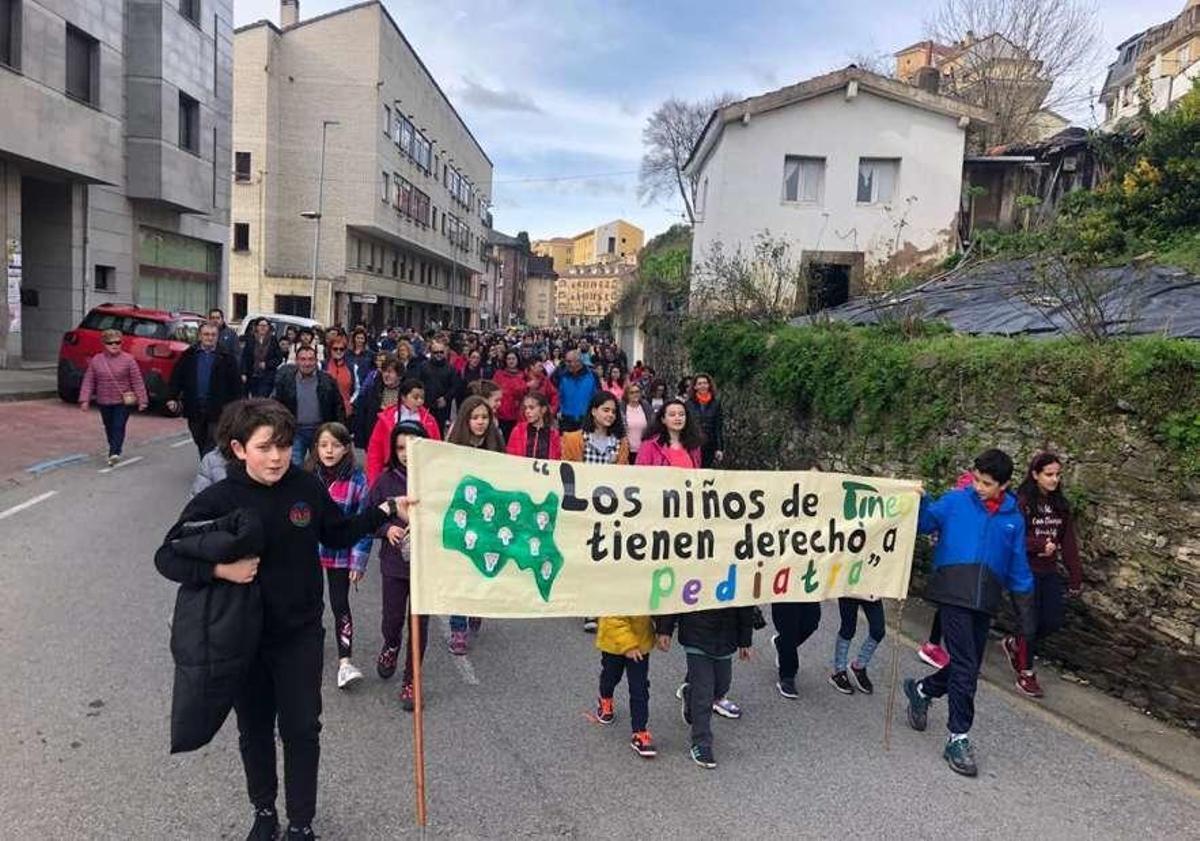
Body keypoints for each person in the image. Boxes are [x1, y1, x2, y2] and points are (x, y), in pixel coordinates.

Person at [154, 398, 409, 840]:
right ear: (238, 448)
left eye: (285, 447)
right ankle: (264, 812)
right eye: (265, 447)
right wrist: (220, 569)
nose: (277, 457)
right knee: (254, 729)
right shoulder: (218, 498)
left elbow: (337, 532)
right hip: (243, 639)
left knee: (302, 728)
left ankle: (301, 823)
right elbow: (167, 556)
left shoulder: (305, 488)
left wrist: (385, 511)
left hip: (299, 634)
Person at [904, 448, 1036, 778]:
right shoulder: (954, 501)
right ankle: (958, 737)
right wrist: (919, 499)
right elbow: (922, 524)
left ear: (1004, 485)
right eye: (976, 479)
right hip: (953, 591)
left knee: (968, 665)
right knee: (965, 665)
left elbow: (1018, 564)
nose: (978, 486)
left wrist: (1026, 606)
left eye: (987, 483)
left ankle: (922, 691)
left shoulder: (1012, 519)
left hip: (986, 598)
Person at [1002, 452, 1082, 699]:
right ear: (1035, 475)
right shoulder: (1022, 503)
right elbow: (1011, 536)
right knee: (1029, 623)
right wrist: (1038, 545)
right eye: (1049, 474)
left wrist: (1075, 575)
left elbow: (1068, 542)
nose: (1054, 479)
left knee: (1053, 620)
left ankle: (1015, 644)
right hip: (1024, 570)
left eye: (1057, 475)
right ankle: (1026, 673)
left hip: (1048, 572)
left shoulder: (1061, 506)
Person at [303, 422, 373, 691]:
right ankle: (307, 646)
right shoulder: (306, 478)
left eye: (335, 445)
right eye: (323, 445)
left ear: (346, 448)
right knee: (307, 602)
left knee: (339, 603)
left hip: (339, 552)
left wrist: (358, 560)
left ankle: (345, 662)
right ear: (315, 448)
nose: (329, 450)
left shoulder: (357, 480)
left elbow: (364, 522)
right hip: (308, 551)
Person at [368, 420, 430, 711]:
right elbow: (370, 516)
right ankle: (390, 646)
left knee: (418, 626)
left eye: (413, 446)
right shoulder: (386, 480)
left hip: (427, 566)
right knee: (392, 621)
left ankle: (411, 679)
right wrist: (386, 530)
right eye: (401, 447)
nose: (406, 453)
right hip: (394, 564)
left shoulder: (436, 480)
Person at [655, 602, 753, 769]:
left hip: (726, 637)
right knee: (704, 693)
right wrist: (665, 629)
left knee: (721, 686)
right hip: (696, 634)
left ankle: (689, 693)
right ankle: (701, 743)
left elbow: (746, 605)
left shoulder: (737, 576)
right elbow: (677, 593)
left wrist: (745, 640)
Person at [562, 392, 629, 633]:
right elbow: (565, 472)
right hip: (583, 507)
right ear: (593, 411)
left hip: (609, 509)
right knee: (587, 557)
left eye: (613, 411)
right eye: (605, 410)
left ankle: (603, 605)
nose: (609, 415)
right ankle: (589, 607)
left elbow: (624, 477)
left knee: (605, 556)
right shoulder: (573, 439)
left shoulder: (621, 443)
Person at [444, 395, 505, 654]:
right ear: (466, 419)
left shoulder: (495, 443)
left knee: (481, 568)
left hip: (488, 517)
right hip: (463, 517)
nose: (480, 422)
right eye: (475, 417)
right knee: (461, 570)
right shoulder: (453, 445)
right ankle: (458, 628)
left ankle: (477, 606)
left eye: (484, 417)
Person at [167, 321, 243, 457]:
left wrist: (236, 407)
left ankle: (207, 469)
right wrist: (172, 397)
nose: (210, 338)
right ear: (200, 336)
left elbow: (236, 384)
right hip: (194, 406)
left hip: (218, 408)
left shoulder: (227, 357)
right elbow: (177, 377)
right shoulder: (189, 355)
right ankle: (207, 464)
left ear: (218, 336)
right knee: (199, 438)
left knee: (212, 441)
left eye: (213, 335)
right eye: (206, 334)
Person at [79, 328, 149, 465]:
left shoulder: (129, 360)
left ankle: (114, 452)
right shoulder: (97, 360)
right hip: (104, 400)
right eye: (110, 343)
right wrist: (84, 399)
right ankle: (114, 446)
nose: (114, 345)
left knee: (118, 425)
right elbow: (89, 380)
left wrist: (142, 400)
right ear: (104, 344)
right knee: (109, 426)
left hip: (122, 401)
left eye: (118, 342)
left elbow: (137, 380)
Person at [594, 614, 657, 759]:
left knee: (639, 687)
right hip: (613, 642)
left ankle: (640, 732)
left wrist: (664, 630)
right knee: (611, 676)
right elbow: (611, 616)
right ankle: (605, 699)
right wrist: (628, 645)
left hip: (641, 641)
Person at [272, 346, 344, 465]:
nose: (307, 363)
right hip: (295, 431)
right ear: (297, 361)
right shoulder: (286, 381)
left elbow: (338, 407)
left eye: (311, 359)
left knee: (321, 467)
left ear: (316, 361)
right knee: (295, 467)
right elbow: (276, 406)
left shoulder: (327, 380)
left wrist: (339, 432)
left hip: (321, 431)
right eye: (303, 359)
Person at [365, 378, 442, 484]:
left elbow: (437, 451)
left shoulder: (430, 421)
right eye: (415, 397)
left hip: (421, 476)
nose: (420, 401)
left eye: (422, 398)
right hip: (391, 474)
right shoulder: (386, 419)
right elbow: (375, 452)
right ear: (403, 397)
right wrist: (374, 481)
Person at [829, 597, 885, 695]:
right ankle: (839, 671)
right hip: (849, 588)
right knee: (848, 629)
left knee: (878, 631)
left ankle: (859, 666)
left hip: (872, 589)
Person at [553, 350, 600, 432]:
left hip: (586, 420)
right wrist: (556, 412)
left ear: (578, 361)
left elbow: (598, 397)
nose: (567, 364)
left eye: (569, 362)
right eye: (566, 361)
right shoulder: (561, 375)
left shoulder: (592, 375)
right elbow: (556, 395)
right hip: (566, 421)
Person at [419, 339, 460, 434]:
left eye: (441, 352)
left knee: (439, 431)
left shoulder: (450, 368)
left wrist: (445, 398)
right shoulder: (423, 366)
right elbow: (419, 383)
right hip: (426, 405)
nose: (439, 354)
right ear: (431, 352)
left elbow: (455, 387)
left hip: (443, 407)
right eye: (436, 352)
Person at [506, 391, 561, 460]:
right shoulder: (518, 430)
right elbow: (510, 456)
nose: (527, 411)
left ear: (543, 410)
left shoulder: (553, 434)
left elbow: (556, 459)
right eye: (525, 408)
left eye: (531, 408)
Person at [687, 373, 724, 468]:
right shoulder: (688, 404)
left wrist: (719, 448)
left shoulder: (716, 404)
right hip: (693, 443)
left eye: (705, 383)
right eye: (699, 383)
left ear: (709, 385)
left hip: (709, 444)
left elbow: (718, 426)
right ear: (695, 387)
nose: (702, 386)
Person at [241, 318, 284, 399]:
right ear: (257, 327)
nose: (263, 328)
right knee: (254, 397)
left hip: (267, 376)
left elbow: (279, 358)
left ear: (268, 327)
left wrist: (267, 364)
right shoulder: (250, 339)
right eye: (261, 325)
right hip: (252, 375)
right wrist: (243, 373)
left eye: (265, 326)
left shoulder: (273, 340)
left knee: (262, 398)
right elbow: (244, 357)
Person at [323, 335, 360, 422]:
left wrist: (350, 402)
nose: (338, 351)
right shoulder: (322, 366)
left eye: (341, 349)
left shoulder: (352, 367)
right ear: (330, 349)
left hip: (346, 413)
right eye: (335, 349)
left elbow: (357, 389)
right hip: (327, 412)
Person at [492, 349, 527, 440]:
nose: (511, 361)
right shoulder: (499, 374)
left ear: (517, 360)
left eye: (513, 359)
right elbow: (492, 392)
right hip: (501, 413)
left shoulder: (524, 375)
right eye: (508, 359)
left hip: (517, 414)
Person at [618, 381, 652, 462]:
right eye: (632, 393)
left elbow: (651, 425)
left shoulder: (646, 407)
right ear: (627, 395)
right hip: (626, 450)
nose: (635, 394)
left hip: (643, 450)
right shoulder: (621, 408)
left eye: (637, 392)